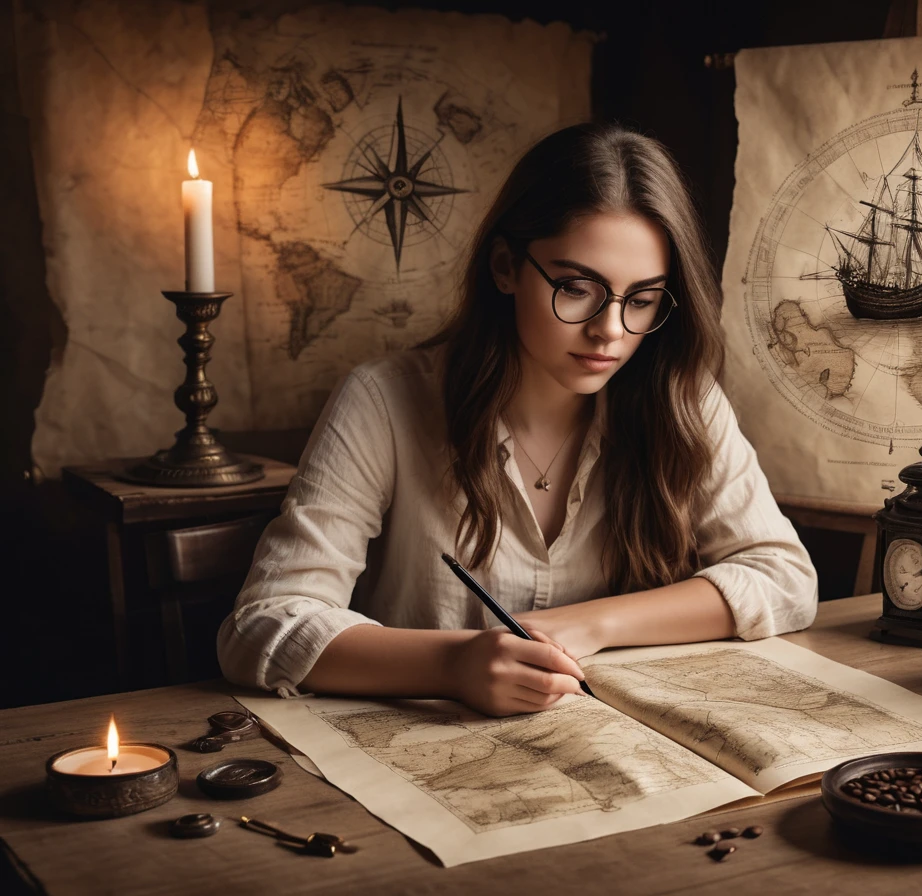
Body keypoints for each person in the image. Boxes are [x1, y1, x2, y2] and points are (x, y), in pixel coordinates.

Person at [217, 122, 818, 717]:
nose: (609, 330)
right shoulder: (384, 401)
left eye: (641, 300)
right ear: (505, 266)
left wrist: (591, 624)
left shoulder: (682, 400)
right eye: (577, 288)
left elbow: (785, 579)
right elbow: (263, 625)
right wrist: (452, 666)